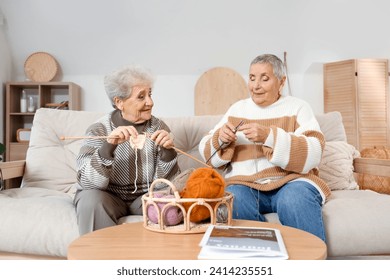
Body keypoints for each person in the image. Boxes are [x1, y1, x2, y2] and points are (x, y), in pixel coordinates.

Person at [199, 54, 330, 242]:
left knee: (294, 199)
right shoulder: (237, 110)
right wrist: (221, 139)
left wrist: (269, 137)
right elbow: (206, 153)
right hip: (245, 184)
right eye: (252, 78)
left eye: (264, 78)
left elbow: (314, 151)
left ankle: (310, 265)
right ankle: (266, 259)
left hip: (292, 181)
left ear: (281, 81)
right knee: (233, 199)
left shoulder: (298, 107)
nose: (256, 86)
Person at [74, 65, 180, 235]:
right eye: (141, 97)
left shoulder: (159, 127)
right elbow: (86, 183)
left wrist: (168, 153)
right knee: (89, 201)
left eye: (150, 94)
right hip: (108, 197)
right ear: (119, 102)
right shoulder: (98, 130)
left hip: (144, 197)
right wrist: (108, 147)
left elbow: (166, 187)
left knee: (170, 209)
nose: (150, 102)